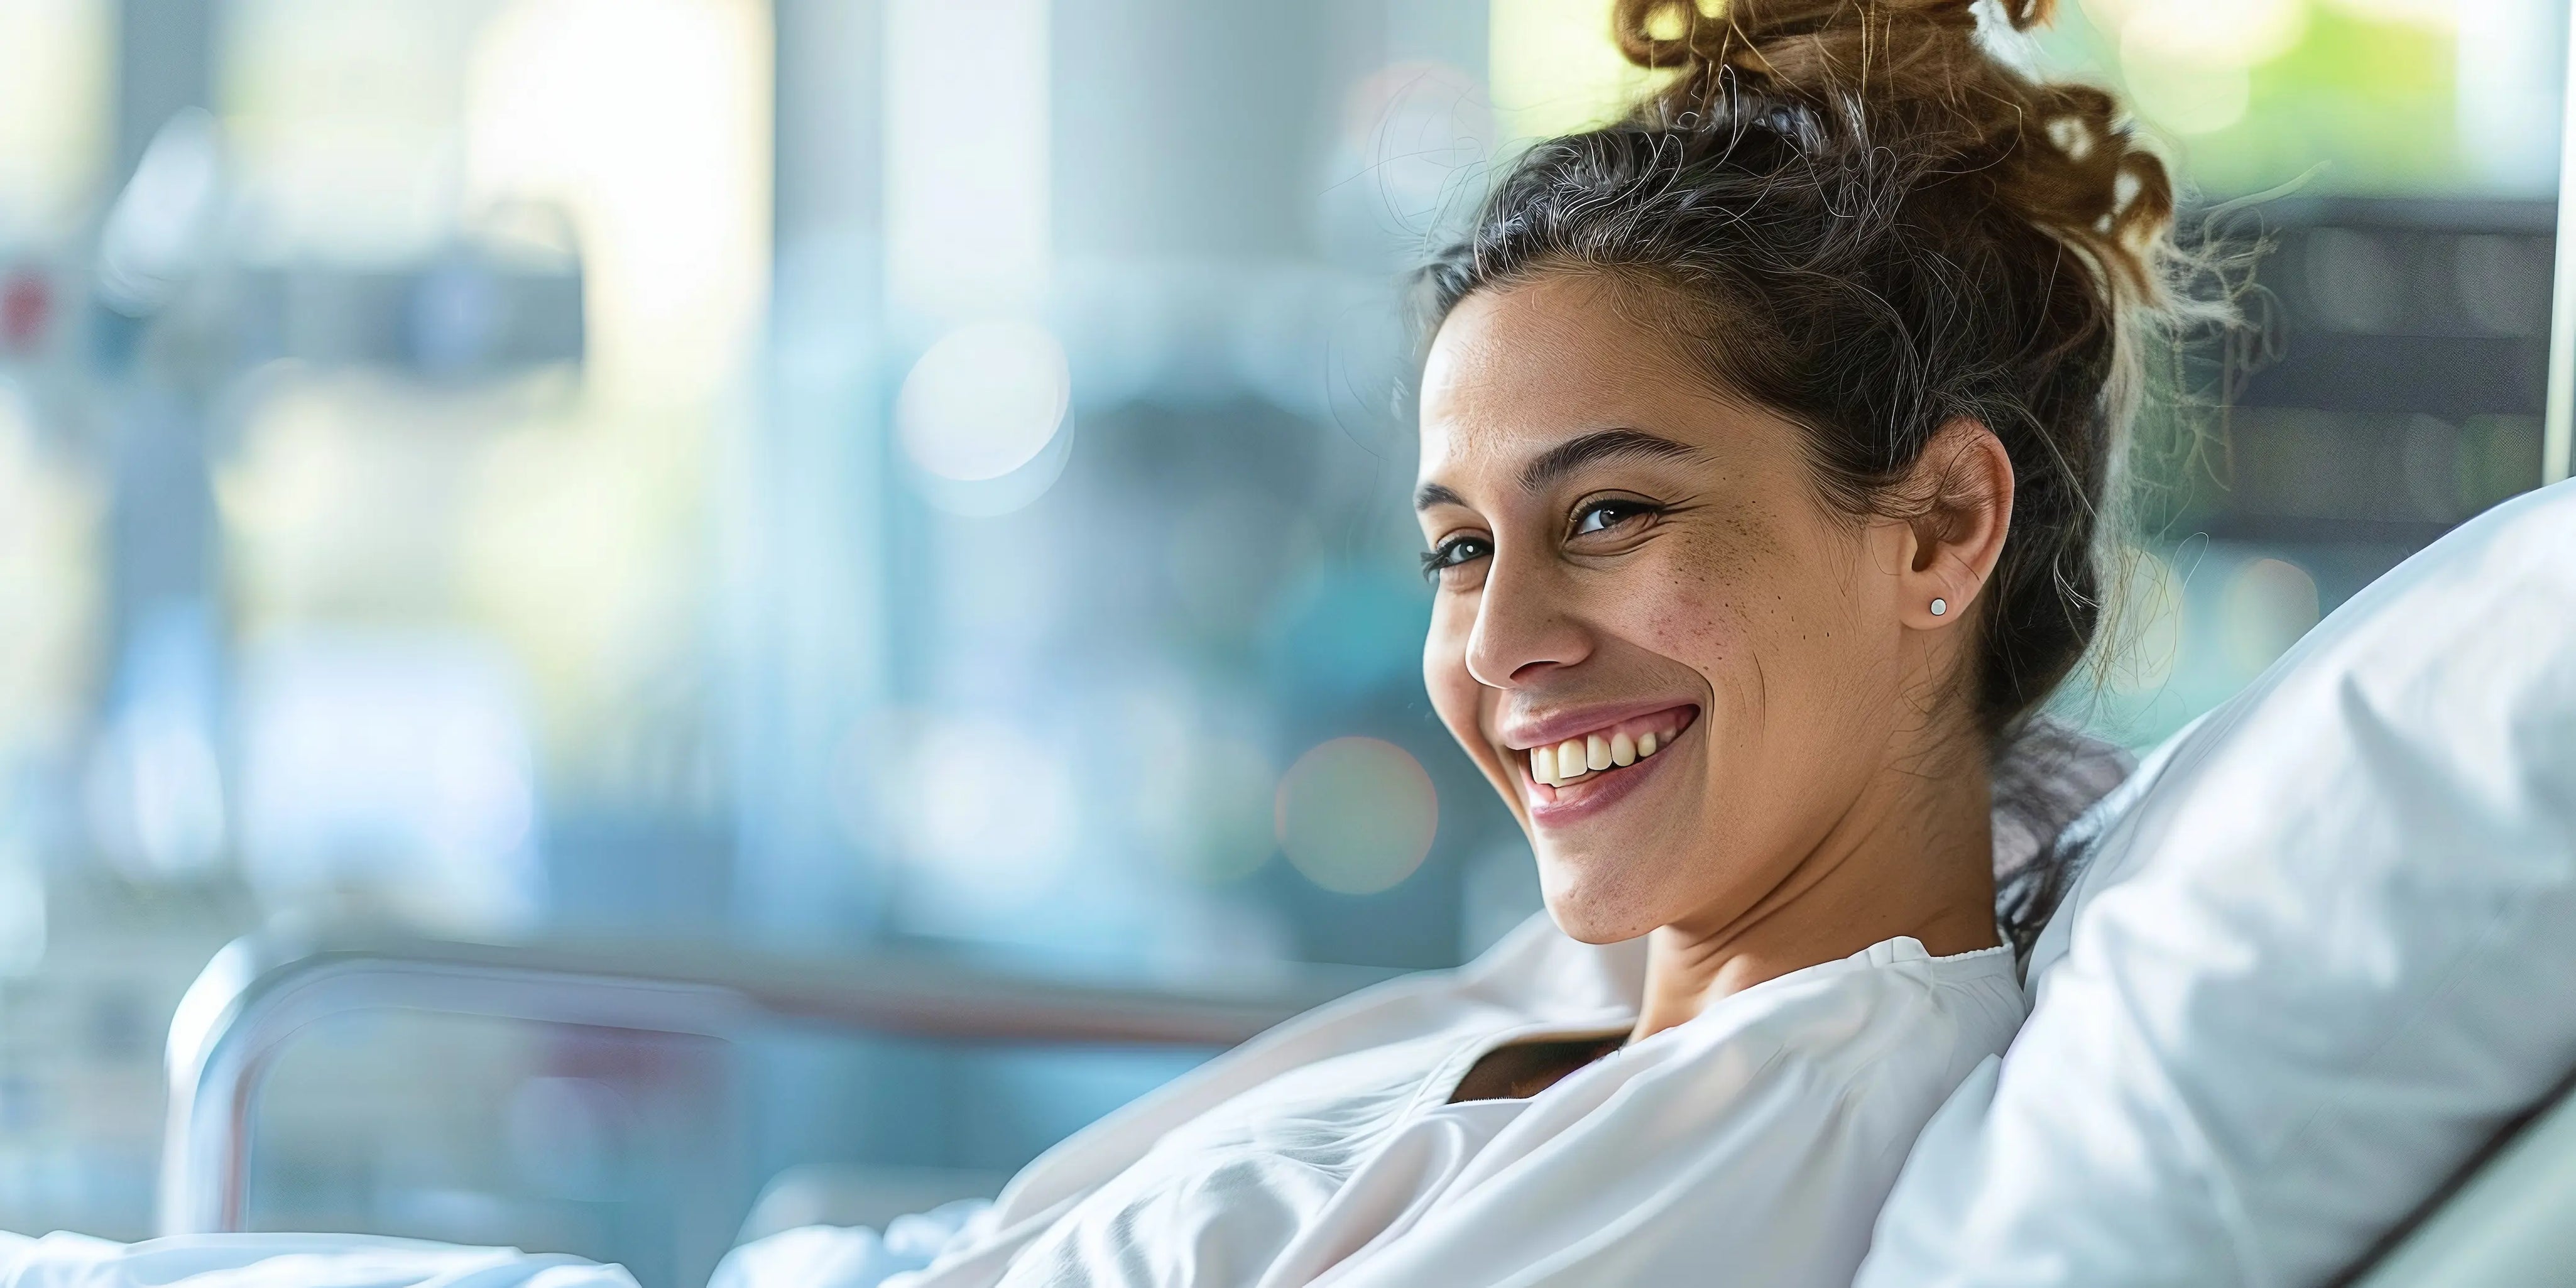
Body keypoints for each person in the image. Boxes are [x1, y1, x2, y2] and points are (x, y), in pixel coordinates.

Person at [708, 0, 2189, 1284]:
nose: (1495, 645)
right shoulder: (1629, 985)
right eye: (1460, 547)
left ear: (1936, 524)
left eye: (1609, 513)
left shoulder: (1767, 1125)